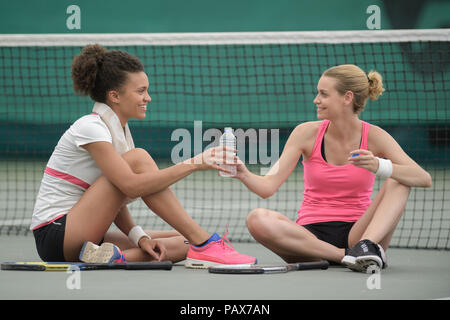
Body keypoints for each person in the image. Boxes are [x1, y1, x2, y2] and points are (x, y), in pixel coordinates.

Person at [30, 44, 256, 268]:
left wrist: (140, 237)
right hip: (56, 234)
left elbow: (114, 200)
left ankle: (115, 257)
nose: (148, 98)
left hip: (85, 236)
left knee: (184, 241)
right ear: (115, 96)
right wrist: (195, 163)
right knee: (138, 159)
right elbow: (130, 186)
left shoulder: (119, 133)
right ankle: (206, 244)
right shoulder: (90, 127)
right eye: (141, 91)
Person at [234, 64, 432, 272]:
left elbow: (422, 177)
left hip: (360, 232)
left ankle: (365, 247)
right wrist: (243, 173)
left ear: (347, 98)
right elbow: (267, 187)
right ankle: (348, 256)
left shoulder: (375, 136)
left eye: (323, 94)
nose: (316, 100)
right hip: (310, 238)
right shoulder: (305, 133)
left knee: (399, 180)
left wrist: (378, 165)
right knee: (257, 219)